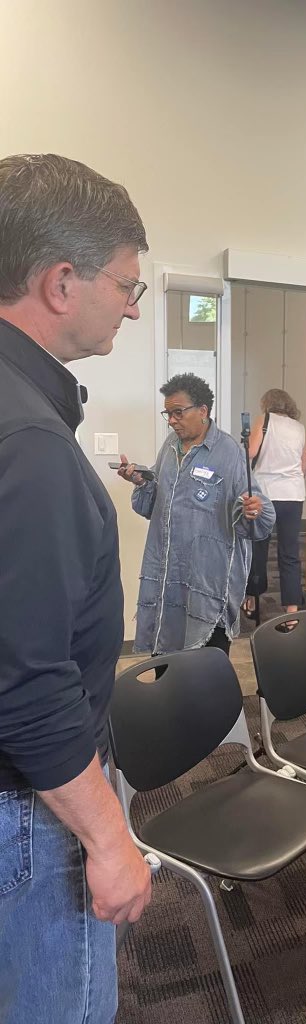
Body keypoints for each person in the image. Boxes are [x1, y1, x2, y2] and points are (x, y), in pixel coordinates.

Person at [0, 153, 153, 1023]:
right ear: (62, 281)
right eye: (126, 287)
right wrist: (108, 838)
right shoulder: (29, 443)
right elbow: (27, 680)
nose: (132, 308)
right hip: (29, 808)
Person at [119, 372, 275, 656]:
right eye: (168, 413)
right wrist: (142, 482)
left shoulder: (230, 453)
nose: (172, 420)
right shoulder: (170, 447)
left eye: (178, 412)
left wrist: (254, 510)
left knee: (203, 672)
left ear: (202, 411)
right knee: (165, 663)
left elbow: (257, 516)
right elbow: (158, 503)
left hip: (207, 582)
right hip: (167, 575)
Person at [242, 387, 306, 628]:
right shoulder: (299, 427)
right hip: (293, 496)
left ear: (267, 404)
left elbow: (250, 451)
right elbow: (302, 466)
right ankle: (292, 611)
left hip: (266, 495)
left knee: (258, 548)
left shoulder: (264, 420)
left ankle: (252, 601)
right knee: (289, 554)